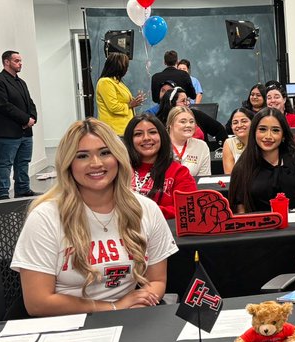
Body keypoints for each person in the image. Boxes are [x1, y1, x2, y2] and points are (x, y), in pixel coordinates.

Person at [11, 119, 176, 316]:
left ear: (118, 157)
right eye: (82, 156)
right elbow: (38, 303)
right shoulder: (45, 217)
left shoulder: (146, 209)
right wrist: (113, 308)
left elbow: (157, 281)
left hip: (129, 319)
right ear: (68, 164)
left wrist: (137, 307)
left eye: (105, 152)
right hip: (66, 324)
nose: (96, 163)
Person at [229, 107, 295, 212]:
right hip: (260, 226)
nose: (268, 136)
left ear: (283, 135)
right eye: (262, 129)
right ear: (253, 132)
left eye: (275, 130)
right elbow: (240, 209)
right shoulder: (242, 167)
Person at [123, 114, 197, 221]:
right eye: (138, 134)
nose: (146, 138)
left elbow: (187, 211)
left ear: (162, 136)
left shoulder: (179, 172)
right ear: (130, 140)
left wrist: (140, 211)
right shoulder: (119, 170)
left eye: (152, 132)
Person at [0, 49, 38, 200]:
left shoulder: (21, 82)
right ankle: (3, 194)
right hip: (7, 132)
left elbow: (30, 103)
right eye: (17, 61)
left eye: (21, 61)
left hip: (25, 132)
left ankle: (23, 189)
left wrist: (33, 118)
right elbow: (3, 105)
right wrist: (25, 120)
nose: (20, 63)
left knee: (23, 162)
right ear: (6, 62)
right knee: (5, 163)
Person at [94, 52, 145, 137]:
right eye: (126, 66)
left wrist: (135, 100)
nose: (127, 69)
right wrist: (130, 105)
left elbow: (122, 99)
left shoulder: (117, 82)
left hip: (125, 129)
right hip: (115, 131)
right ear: (118, 67)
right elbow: (113, 106)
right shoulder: (105, 82)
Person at [160, 86, 225, 142]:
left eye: (187, 100)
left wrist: (218, 150)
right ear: (171, 104)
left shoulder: (196, 114)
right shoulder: (160, 123)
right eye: (183, 101)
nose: (187, 103)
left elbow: (219, 129)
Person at [165, 106, 211, 179]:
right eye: (183, 122)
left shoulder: (201, 146)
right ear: (170, 124)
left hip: (193, 189)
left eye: (191, 122)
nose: (188, 125)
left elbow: (204, 180)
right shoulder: (159, 145)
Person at [222, 107, 254, 174]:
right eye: (235, 122)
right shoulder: (229, 143)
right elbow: (229, 175)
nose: (239, 125)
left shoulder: (261, 141)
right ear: (231, 126)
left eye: (244, 121)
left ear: (253, 122)